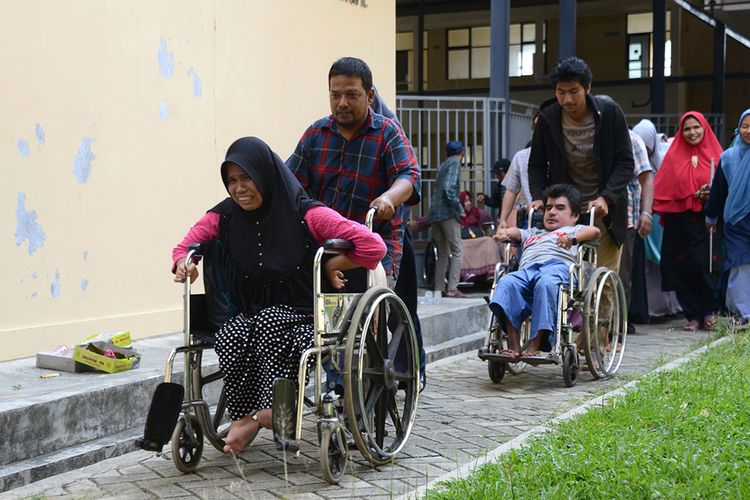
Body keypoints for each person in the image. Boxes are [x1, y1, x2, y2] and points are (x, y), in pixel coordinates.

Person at [172, 137, 386, 455]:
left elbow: (373, 247)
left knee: (269, 321)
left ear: (265, 175)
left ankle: (266, 415)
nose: (239, 188)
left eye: (246, 178)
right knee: (231, 333)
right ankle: (246, 416)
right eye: (231, 180)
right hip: (253, 312)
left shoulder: (307, 214)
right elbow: (186, 246)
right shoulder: (224, 216)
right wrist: (184, 265)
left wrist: (331, 263)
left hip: (304, 312)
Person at [286, 57, 425, 388]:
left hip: (375, 243)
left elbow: (409, 175)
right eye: (335, 95)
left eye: (351, 95)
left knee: (369, 316)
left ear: (370, 95)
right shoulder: (315, 135)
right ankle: (325, 380)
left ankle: (363, 382)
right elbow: (290, 182)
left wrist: (390, 198)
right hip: (326, 247)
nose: (342, 103)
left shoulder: (386, 133)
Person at [528, 57, 633, 278]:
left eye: (574, 91)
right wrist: (538, 196)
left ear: (588, 87)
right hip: (565, 209)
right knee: (565, 276)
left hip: (604, 211)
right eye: (560, 92)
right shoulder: (548, 117)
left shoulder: (610, 113)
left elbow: (625, 162)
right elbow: (536, 164)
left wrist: (607, 197)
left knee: (602, 275)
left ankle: (604, 313)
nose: (567, 99)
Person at [489, 184, 600, 360]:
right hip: (527, 271)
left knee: (545, 283)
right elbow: (516, 232)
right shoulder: (534, 232)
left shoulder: (573, 230)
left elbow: (594, 231)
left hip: (557, 269)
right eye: (549, 207)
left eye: (560, 208)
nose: (552, 212)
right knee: (506, 282)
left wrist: (572, 239)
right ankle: (514, 346)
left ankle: (535, 344)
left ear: (575, 216)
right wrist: (504, 233)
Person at [653, 111, 723, 332]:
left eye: (696, 127)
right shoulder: (673, 156)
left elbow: (725, 187)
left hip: (706, 221)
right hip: (679, 221)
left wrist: (711, 194)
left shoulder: (717, 155)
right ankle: (691, 314)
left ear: (705, 128)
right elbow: (664, 186)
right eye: (687, 129)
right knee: (681, 267)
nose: (692, 133)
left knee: (704, 265)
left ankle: (710, 311)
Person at [632, 119, 682, 320]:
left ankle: (670, 306)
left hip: (661, 222)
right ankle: (651, 309)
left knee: (664, 265)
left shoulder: (665, 162)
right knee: (646, 268)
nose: (643, 149)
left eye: (647, 145)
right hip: (642, 219)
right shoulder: (632, 160)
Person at [706, 108, 750, 326]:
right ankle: (743, 314)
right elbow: (718, 190)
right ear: (738, 128)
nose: (748, 130)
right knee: (739, 263)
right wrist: (711, 217)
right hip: (736, 220)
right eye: (745, 126)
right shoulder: (729, 158)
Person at [618, 130, 654, 334]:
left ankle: (618, 324)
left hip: (625, 217)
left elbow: (646, 179)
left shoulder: (631, 139)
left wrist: (646, 213)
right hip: (589, 215)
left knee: (622, 275)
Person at [428, 141, 465, 298]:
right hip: (448, 213)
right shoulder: (455, 164)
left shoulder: (442, 165)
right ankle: (452, 288)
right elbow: (449, 188)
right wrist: (460, 209)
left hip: (435, 213)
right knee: (457, 250)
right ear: (461, 153)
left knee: (442, 252)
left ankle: (438, 289)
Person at [499, 146, 532, 228]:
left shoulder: (562, 154)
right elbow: (511, 190)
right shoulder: (521, 156)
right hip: (528, 216)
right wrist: (503, 220)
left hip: (560, 215)